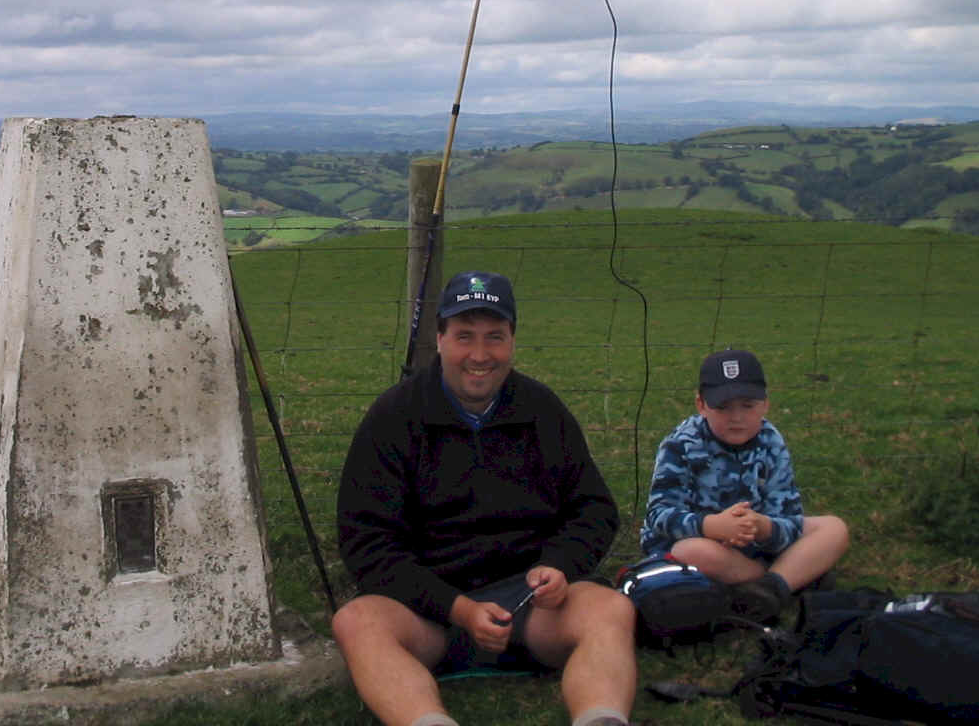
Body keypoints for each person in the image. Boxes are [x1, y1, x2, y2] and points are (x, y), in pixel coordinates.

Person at [333, 270, 636, 726]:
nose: (479, 355)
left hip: (530, 605)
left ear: (513, 340)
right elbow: (367, 545)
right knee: (356, 621)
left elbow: (593, 508)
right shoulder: (393, 417)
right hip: (428, 612)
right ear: (439, 339)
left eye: (494, 337)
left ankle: (600, 718)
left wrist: (560, 566)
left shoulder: (542, 410)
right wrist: (456, 608)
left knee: (611, 609)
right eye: (464, 336)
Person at [639, 347, 849, 622]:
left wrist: (763, 527)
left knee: (834, 529)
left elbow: (789, 513)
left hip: (757, 537)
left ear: (765, 404)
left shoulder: (771, 441)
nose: (736, 417)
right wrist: (711, 525)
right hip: (703, 543)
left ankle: (767, 587)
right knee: (690, 552)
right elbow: (659, 515)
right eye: (723, 407)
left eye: (747, 406)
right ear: (701, 405)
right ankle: (783, 578)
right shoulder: (680, 445)